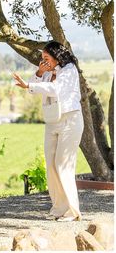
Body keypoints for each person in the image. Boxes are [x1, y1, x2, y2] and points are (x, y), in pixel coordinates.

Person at [13, 41, 84, 222]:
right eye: (42, 59)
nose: (44, 61)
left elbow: (55, 89)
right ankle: (59, 207)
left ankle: (72, 210)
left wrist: (29, 85)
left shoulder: (69, 70)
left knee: (63, 164)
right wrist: (38, 73)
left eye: (46, 58)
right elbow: (34, 89)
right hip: (52, 121)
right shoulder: (46, 72)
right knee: (51, 165)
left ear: (56, 56)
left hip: (70, 120)